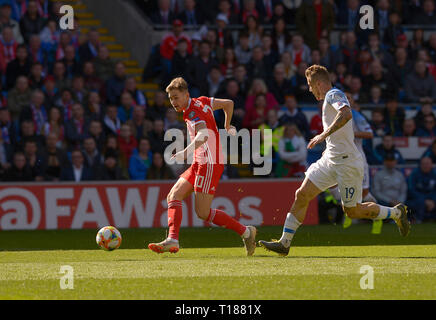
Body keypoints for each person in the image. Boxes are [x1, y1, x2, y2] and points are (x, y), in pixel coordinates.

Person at [259, 65, 410, 256]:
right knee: (302, 194)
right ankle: (284, 243)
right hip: (330, 159)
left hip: (347, 163)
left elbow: (346, 114)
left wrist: (323, 135)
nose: (309, 89)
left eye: (310, 84)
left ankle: (397, 213)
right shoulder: (329, 99)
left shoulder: (333, 94)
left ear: (319, 83)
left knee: (353, 211)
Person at [148, 77, 256, 255]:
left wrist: (185, 152)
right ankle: (173, 239)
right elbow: (228, 103)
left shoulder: (192, 112)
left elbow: (203, 135)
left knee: (203, 212)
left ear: (186, 95)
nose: (173, 102)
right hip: (200, 161)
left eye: (176, 97)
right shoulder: (203, 101)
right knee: (173, 195)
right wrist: (227, 125)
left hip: (210, 163)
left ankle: (246, 232)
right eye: (171, 98)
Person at [342, 93, 383, 234]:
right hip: (343, 159)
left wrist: (351, 134)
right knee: (341, 187)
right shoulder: (335, 115)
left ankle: (378, 217)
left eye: (349, 98)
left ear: (353, 102)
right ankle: (349, 214)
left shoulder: (356, 115)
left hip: (358, 159)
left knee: (364, 192)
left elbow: (369, 133)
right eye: (344, 98)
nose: (346, 100)